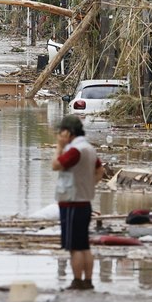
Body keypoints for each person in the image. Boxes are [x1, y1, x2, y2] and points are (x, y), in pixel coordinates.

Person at [52, 115, 104, 290]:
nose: (59, 135)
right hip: (84, 202)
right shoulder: (88, 148)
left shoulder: (75, 150)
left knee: (74, 247)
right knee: (84, 245)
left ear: (68, 132)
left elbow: (55, 165)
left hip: (72, 202)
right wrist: (89, 185)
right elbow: (100, 170)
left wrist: (59, 147)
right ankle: (87, 281)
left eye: (61, 132)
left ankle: (77, 281)